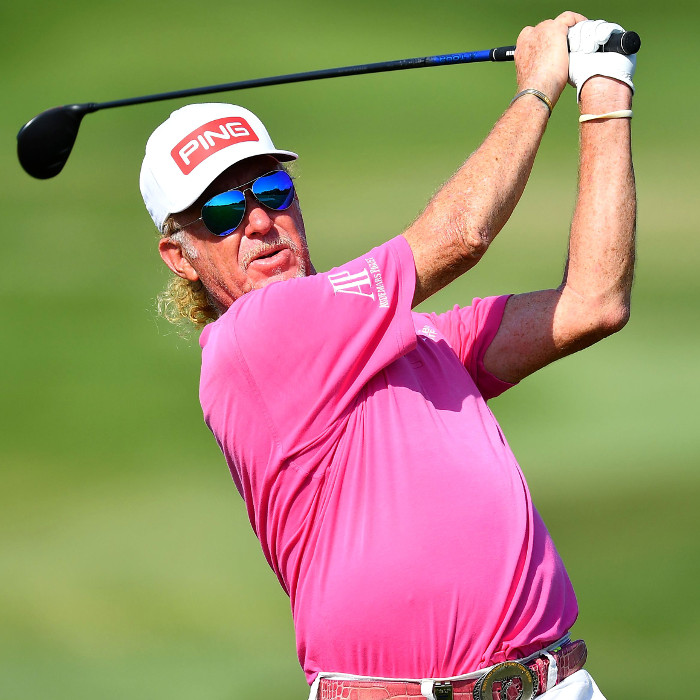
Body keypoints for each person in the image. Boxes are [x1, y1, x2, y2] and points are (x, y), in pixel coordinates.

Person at [140, 12, 636, 700]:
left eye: (272, 191)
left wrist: (606, 92)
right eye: (222, 210)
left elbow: (593, 303)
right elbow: (459, 235)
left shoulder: (416, 335)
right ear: (180, 256)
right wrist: (539, 86)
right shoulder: (250, 341)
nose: (258, 221)